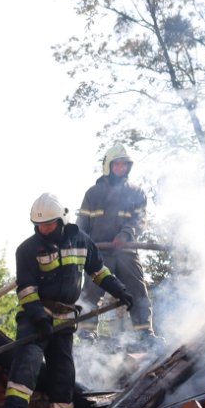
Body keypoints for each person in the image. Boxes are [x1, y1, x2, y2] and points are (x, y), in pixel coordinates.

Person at [4, 194, 149, 408]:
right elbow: (26, 289)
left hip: (65, 320)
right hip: (35, 317)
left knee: (63, 374)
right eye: (39, 225)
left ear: (61, 221)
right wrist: (39, 318)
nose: (44, 229)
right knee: (27, 360)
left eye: (49, 224)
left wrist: (119, 290)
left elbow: (98, 271)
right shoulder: (27, 249)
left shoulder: (82, 241)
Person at [78, 144, 155, 348]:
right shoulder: (92, 194)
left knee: (137, 291)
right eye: (117, 164)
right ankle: (86, 333)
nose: (121, 168)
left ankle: (144, 333)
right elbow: (82, 225)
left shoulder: (137, 193)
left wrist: (126, 234)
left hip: (126, 251)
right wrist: (82, 247)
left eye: (125, 165)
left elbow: (140, 220)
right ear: (108, 166)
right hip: (98, 253)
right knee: (91, 292)